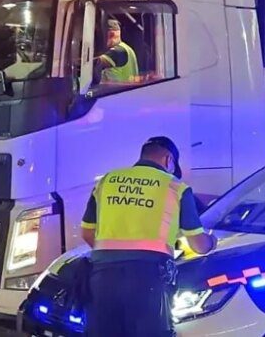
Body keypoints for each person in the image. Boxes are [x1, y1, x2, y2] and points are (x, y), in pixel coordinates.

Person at [80, 136, 217, 336]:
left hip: (102, 277)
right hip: (149, 277)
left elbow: (87, 232)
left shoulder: (107, 181)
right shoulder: (175, 187)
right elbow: (198, 245)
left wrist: (113, 254)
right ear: (169, 160)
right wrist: (212, 241)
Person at [95, 19, 139, 83]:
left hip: (117, 91)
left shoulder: (118, 51)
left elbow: (94, 64)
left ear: (111, 34)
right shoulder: (127, 48)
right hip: (126, 90)